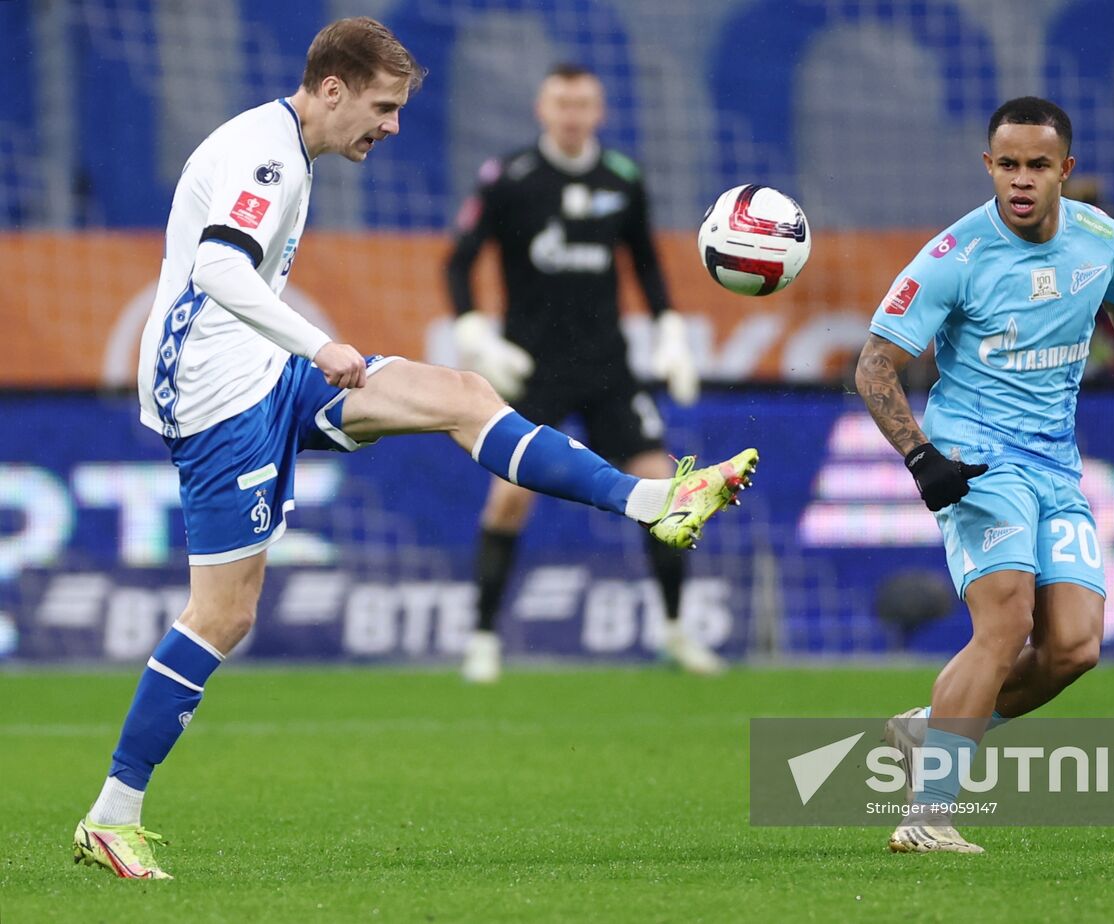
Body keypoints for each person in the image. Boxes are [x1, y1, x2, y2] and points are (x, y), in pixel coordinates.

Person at [72, 18, 756, 881]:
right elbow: (218, 268)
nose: (392, 127)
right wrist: (319, 343)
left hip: (267, 370)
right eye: (383, 106)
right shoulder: (267, 155)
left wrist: (302, 352)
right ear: (332, 89)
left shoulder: (291, 148)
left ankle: (654, 500)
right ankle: (112, 814)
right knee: (224, 614)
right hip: (215, 398)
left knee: (464, 398)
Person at [854, 97, 1114, 854]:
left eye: (1036, 166)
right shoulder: (955, 255)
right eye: (1007, 165)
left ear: (1066, 170)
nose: (1021, 180)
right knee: (1006, 622)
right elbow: (874, 366)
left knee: (1073, 649)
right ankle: (926, 815)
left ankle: (930, 730)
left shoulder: (1102, 239)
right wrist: (923, 458)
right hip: (976, 455)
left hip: (1056, 460)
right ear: (987, 166)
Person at [445, 64, 719, 681]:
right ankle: (484, 641)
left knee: (663, 490)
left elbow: (647, 266)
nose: (572, 115)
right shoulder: (509, 179)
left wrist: (671, 331)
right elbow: (458, 264)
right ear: (544, 108)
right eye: (562, 103)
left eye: (583, 104)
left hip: (607, 369)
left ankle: (675, 632)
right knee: (509, 499)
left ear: (599, 111)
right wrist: (473, 331)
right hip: (533, 370)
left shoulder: (622, 180)